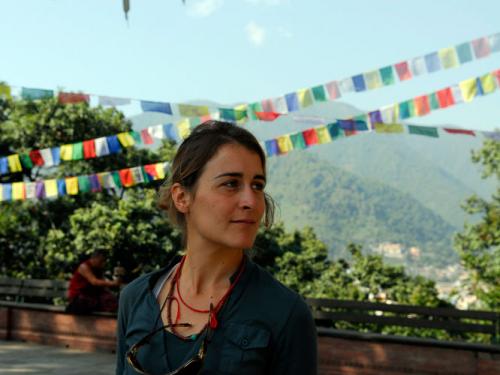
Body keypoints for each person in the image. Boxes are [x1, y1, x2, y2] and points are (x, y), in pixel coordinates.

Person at [116, 120, 318, 374]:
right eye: (231, 184)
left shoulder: (284, 313)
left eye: (257, 185)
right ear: (182, 197)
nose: (251, 201)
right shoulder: (135, 298)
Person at [66, 249, 121, 314]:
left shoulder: (98, 269)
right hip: (79, 297)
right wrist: (113, 283)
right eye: (101, 261)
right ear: (94, 258)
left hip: (92, 295)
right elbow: (94, 281)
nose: (103, 264)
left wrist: (119, 278)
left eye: (104, 261)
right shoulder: (84, 266)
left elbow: (102, 284)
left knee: (110, 300)